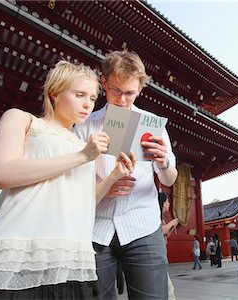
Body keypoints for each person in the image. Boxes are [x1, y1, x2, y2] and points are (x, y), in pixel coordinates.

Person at [0, 61, 136, 299]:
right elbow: (2, 174)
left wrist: (114, 175)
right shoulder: (22, 120)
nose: (88, 104)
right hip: (20, 250)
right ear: (55, 93)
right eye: (80, 95)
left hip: (70, 257)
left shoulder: (84, 145)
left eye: (93, 98)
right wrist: (82, 156)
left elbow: (86, 201)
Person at [74, 50, 178, 300]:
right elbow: (74, 181)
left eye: (129, 92)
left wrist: (163, 162)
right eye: (115, 90)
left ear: (140, 87)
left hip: (142, 224)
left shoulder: (153, 124)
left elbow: (169, 180)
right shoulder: (86, 124)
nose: (121, 99)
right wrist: (104, 186)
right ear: (103, 84)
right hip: (95, 228)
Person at [158, 192, 179, 300]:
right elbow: (161, 231)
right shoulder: (155, 216)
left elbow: (165, 234)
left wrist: (171, 227)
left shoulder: (162, 218)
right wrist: (173, 222)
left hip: (162, 253)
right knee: (168, 287)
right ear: (162, 203)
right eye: (167, 201)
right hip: (157, 256)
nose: (169, 204)